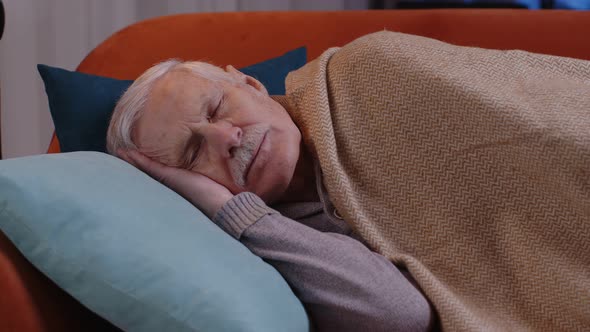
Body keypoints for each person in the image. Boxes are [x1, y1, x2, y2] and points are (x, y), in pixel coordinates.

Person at [107, 59, 437, 332]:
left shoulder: (368, 90)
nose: (227, 137)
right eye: (194, 154)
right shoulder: (270, 248)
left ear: (251, 85)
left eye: (217, 107)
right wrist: (237, 214)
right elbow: (402, 312)